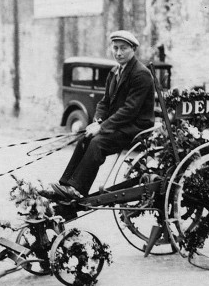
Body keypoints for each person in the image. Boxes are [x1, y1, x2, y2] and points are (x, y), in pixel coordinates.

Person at [48, 30, 155, 200]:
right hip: (120, 125)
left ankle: (77, 190)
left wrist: (102, 127)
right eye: (115, 48)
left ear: (133, 49)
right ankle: (65, 185)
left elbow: (130, 110)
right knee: (84, 139)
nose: (118, 53)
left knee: (98, 142)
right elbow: (104, 103)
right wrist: (97, 121)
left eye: (123, 48)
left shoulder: (141, 74)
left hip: (136, 127)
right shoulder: (114, 72)